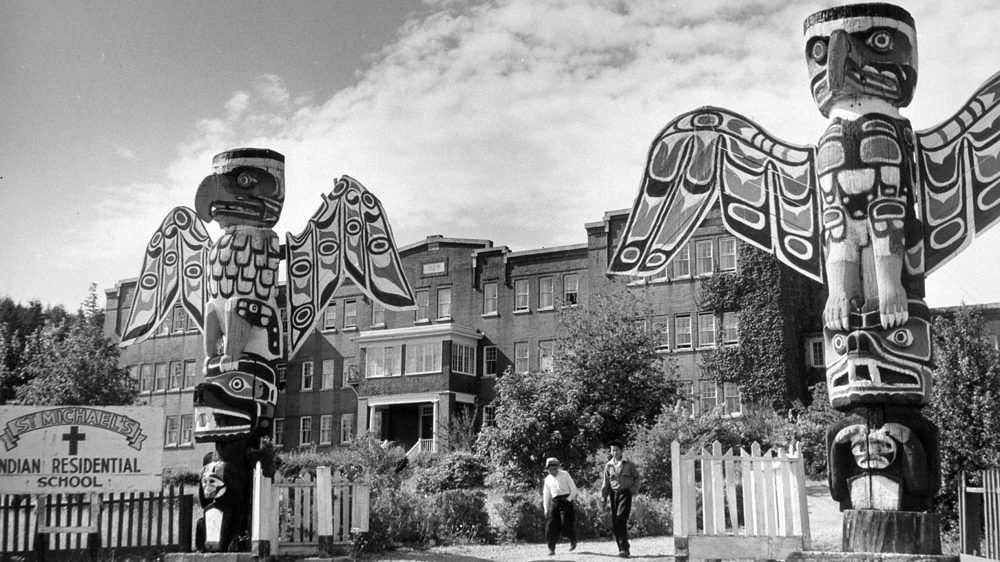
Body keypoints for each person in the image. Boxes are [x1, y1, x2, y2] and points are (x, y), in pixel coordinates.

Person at [601, 440, 641, 558]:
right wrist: (603, 498)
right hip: (613, 495)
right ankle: (622, 549)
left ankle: (624, 548)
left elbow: (637, 478)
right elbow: (606, 483)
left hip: (625, 494)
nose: (614, 452)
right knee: (615, 521)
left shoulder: (629, 464)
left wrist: (633, 490)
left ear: (621, 451)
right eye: (612, 450)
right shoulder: (608, 465)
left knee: (620, 518)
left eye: (617, 450)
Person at [542, 457, 578, 555]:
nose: (553, 471)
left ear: (558, 467)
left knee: (566, 523)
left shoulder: (565, 474)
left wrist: (568, 499)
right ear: (547, 469)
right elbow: (546, 495)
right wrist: (546, 509)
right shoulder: (547, 479)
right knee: (551, 525)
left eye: (554, 469)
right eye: (550, 470)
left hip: (566, 499)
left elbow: (574, 490)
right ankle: (551, 548)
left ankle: (572, 539)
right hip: (555, 502)